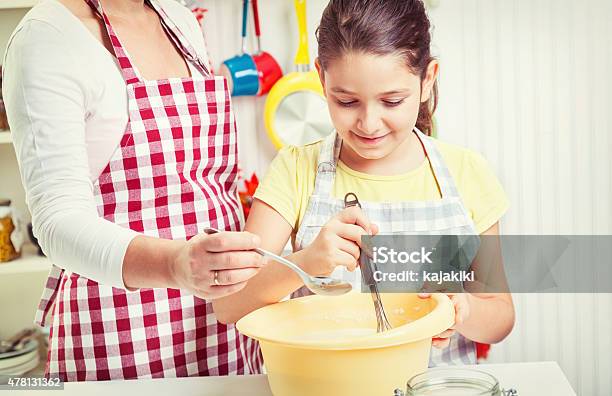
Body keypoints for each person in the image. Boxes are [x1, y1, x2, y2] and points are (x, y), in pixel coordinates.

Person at [212, 0, 515, 365]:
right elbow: (228, 305)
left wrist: (462, 308)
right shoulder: (296, 169)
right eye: (347, 101)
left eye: (391, 101)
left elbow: (501, 318)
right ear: (322, 78)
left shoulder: (466, 171)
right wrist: (307, 262)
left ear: (427, 79)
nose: (369, 123)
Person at [2, 0, 265, 381]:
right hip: (120, 335)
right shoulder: (46, 37)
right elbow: (57, 222)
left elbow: (204, 183)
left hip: (224, 324)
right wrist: (177, 264)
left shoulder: (179, 19)